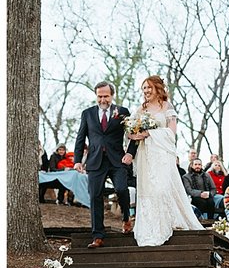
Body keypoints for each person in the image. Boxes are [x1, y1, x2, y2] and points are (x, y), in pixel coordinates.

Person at [127, 76, 204, 246]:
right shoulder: (141, 109)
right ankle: (150, 229)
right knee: (148, 190)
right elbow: (131, 129)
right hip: (146, 155)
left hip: (162, 155)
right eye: (144, 88)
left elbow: (171, 133)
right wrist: (133, 134)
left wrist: (150, 133)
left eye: (149, 88)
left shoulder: (167, 107)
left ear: (157, 88)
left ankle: (167, 223)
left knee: (161, 189)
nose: (146, 91)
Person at [73, 81, 138, 248]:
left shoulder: (122, 112)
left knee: (122, 189)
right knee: (95, 196)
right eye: (100, 96)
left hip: (117, 160)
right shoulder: (87, 113)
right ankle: (98, 236)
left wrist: (130, 153)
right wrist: (78, 160)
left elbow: (133, 134)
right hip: (95, 161)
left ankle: (125, 218)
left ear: (112, 95)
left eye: (106, 96)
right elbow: (80, 138)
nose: (103, 99)